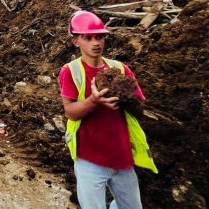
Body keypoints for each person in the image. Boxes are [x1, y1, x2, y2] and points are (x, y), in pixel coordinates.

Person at [59, 11, 157, 209]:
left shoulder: (120, 69)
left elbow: (140, 111)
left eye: (100, 37)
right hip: (89, 159)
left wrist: (127, 100)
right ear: (76, 41)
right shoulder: (71, 71)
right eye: (88, 38)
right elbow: (70, 111)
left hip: (122, 157)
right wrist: (94, 101)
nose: (96, 42)